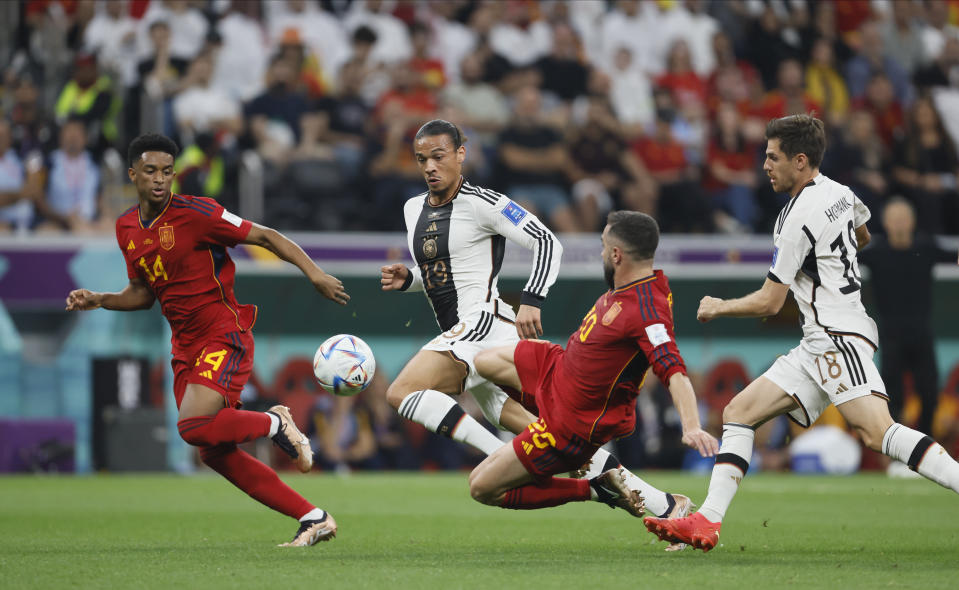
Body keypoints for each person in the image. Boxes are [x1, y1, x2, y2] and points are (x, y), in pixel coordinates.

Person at [644, 114, 959, 552]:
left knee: (877, 432)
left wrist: (720, 307)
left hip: (836, 336)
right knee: (739, 412)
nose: (765, 166)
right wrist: (827, 258)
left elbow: (770, 302)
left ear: (800, 160)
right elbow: (861, 236)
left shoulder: (796, 219)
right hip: (820, 338)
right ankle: (706, 522)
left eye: (773, 158)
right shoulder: (841, 193)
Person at [381, 121, 697, 526]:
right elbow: (451, 272)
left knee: (402, 391)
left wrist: (532, 300)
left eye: (439, 156)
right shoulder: (413, 209)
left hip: (482, 324)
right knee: (555, 435)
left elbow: (548, 241)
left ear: (462, 154)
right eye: (422, 159)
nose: (429, 167)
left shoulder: (485, 203)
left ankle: (496, 452)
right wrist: (411, 280)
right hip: (461, 330)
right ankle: (662, 505)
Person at [65, 133, 350, 547]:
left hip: (224, 333)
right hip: (184, 347)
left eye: (167, 171)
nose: (160, 180)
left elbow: (267, 236)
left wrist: (315, 273)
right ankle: (314, 518)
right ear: (133, 175)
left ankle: (275, 422)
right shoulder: (126, 227)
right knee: (211, 449)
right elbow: (144, 294)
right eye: (150, 171)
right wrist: (100, 299)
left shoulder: (198, 213)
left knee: (194, 425)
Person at [466, 211, 717, 520]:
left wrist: (691, 426)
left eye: (602, 246)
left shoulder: (647, 309)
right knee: (482, 362)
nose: (600, 253)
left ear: (616, 254)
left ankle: (594, 489)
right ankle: (543, 436)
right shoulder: (628, 285)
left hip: (572, 424)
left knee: (481, 487)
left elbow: (673, 370)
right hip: (556, 369)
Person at [859, 198, 958, 438]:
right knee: (892, 396)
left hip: (922, 334)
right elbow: (841, 261)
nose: (900, 224)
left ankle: (924, 445)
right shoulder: (877, 252)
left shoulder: (926, 247)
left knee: (929, 393)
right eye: (895, 219)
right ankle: (898, 448)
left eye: (904, 219)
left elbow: (952, 256)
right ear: (886, 223)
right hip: (891, 337)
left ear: (912, 222)